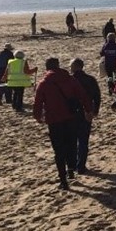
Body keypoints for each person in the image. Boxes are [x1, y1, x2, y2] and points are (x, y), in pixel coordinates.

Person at [33, 57, 94, 190]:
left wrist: (38, 117)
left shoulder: (44, 83)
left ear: (47, 67)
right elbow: (83, 95)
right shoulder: (70, 79)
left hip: (54, 120)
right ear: (58, 66)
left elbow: (38, 103)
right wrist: (88, 110)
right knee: (71, 143)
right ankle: (71, 168)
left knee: (59, 149)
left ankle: (63, 178)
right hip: (70, 117)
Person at [69, 58, 101, 175]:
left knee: (72, 141)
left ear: (75, 66)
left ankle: (73, 166)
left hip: (71, 113)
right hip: (86, 112)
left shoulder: (70, 80)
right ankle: (81, 165)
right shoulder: (90, 79)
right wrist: (95, 110)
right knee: (83, 140)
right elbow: (97, 96)